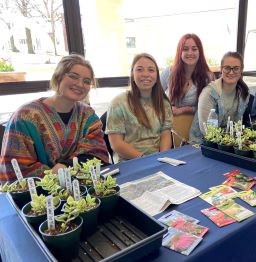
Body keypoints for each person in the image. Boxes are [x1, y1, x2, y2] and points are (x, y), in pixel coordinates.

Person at [0, 54, 109, 182]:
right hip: (36, 195)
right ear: (58, 77)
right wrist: (52, 174)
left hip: (81, 187)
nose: (80, 84)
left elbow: (96, 154)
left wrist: (65, 167)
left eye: (87, 81)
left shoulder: (88, 116)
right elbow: (14, 167)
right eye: (73, 76)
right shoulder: (25, 117)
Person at [106, 53, 173, 161]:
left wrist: (162, 159)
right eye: (140, 69)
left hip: (158, 161)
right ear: (132, 74)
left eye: (151, 70)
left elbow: (165, 135)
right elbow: (116, 144)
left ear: (157, 76)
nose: (145, 74)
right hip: (130, 163)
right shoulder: (118, 103)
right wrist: (144, 160)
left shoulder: (164, 103)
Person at [190, 51, 250, 143]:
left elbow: (237, 126)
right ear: (221, 69)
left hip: (229, 143)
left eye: (236, 68)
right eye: (227, 68)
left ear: (241, 70)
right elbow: (207, 132)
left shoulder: (244, 93)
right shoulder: (209, 93)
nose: (231, 72)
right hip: (202, 144)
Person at [160, 33, 215, 116]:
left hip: (195, 126)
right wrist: (166, 107)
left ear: (199, 52)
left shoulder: (208, 77)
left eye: (194, 49)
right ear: (180, 52)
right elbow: (154, 96)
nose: (190, 53)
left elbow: (210, 107)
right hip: (169, 124)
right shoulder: (169, 72)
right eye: (185, 49)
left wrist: (185, 110)